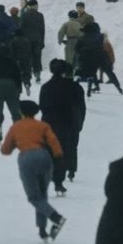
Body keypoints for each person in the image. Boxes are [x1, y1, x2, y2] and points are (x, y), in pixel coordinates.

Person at [0, 100, 67, 243]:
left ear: (21, 112)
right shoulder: (43, 126)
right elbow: (54, 141)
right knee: (42, 195)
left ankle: (56, 218)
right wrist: (58, 156)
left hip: (27, 159)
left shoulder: (16, 127)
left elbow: (5, 150)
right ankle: (42, 230)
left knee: (34, 197)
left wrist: (14, 145)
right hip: (44, 157)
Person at [39, 59, 86, 195]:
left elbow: (43, 106)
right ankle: (59, 182)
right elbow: (81, 107)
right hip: (68, 122)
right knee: (65, 150)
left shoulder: (46, 87)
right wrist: (80, 122)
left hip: (49, 122)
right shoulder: (74, 87)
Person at [0, 43, 22, 141]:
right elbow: (18, 76)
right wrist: (19, 89)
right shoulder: (12, 62)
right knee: (15, 111)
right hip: (12, 86)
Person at [75, 22, 104, 97]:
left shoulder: (81, 38)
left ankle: (76, 86)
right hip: (94, 60)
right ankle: (89, 88)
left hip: (83, 59)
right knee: (92, 74)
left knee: (80, 73)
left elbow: (76, 49)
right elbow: (101, 49)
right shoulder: (99, 39)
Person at [20, 0, 45, 83]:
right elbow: (42, 30)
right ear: (35, 5)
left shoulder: (24, 15)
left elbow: (21, 28)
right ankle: (37, 74)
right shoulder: (40, 15)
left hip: (27, 41)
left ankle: (28, 74)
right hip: (37, 40)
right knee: (37, 58)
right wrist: (42, 41)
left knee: (27, 58)